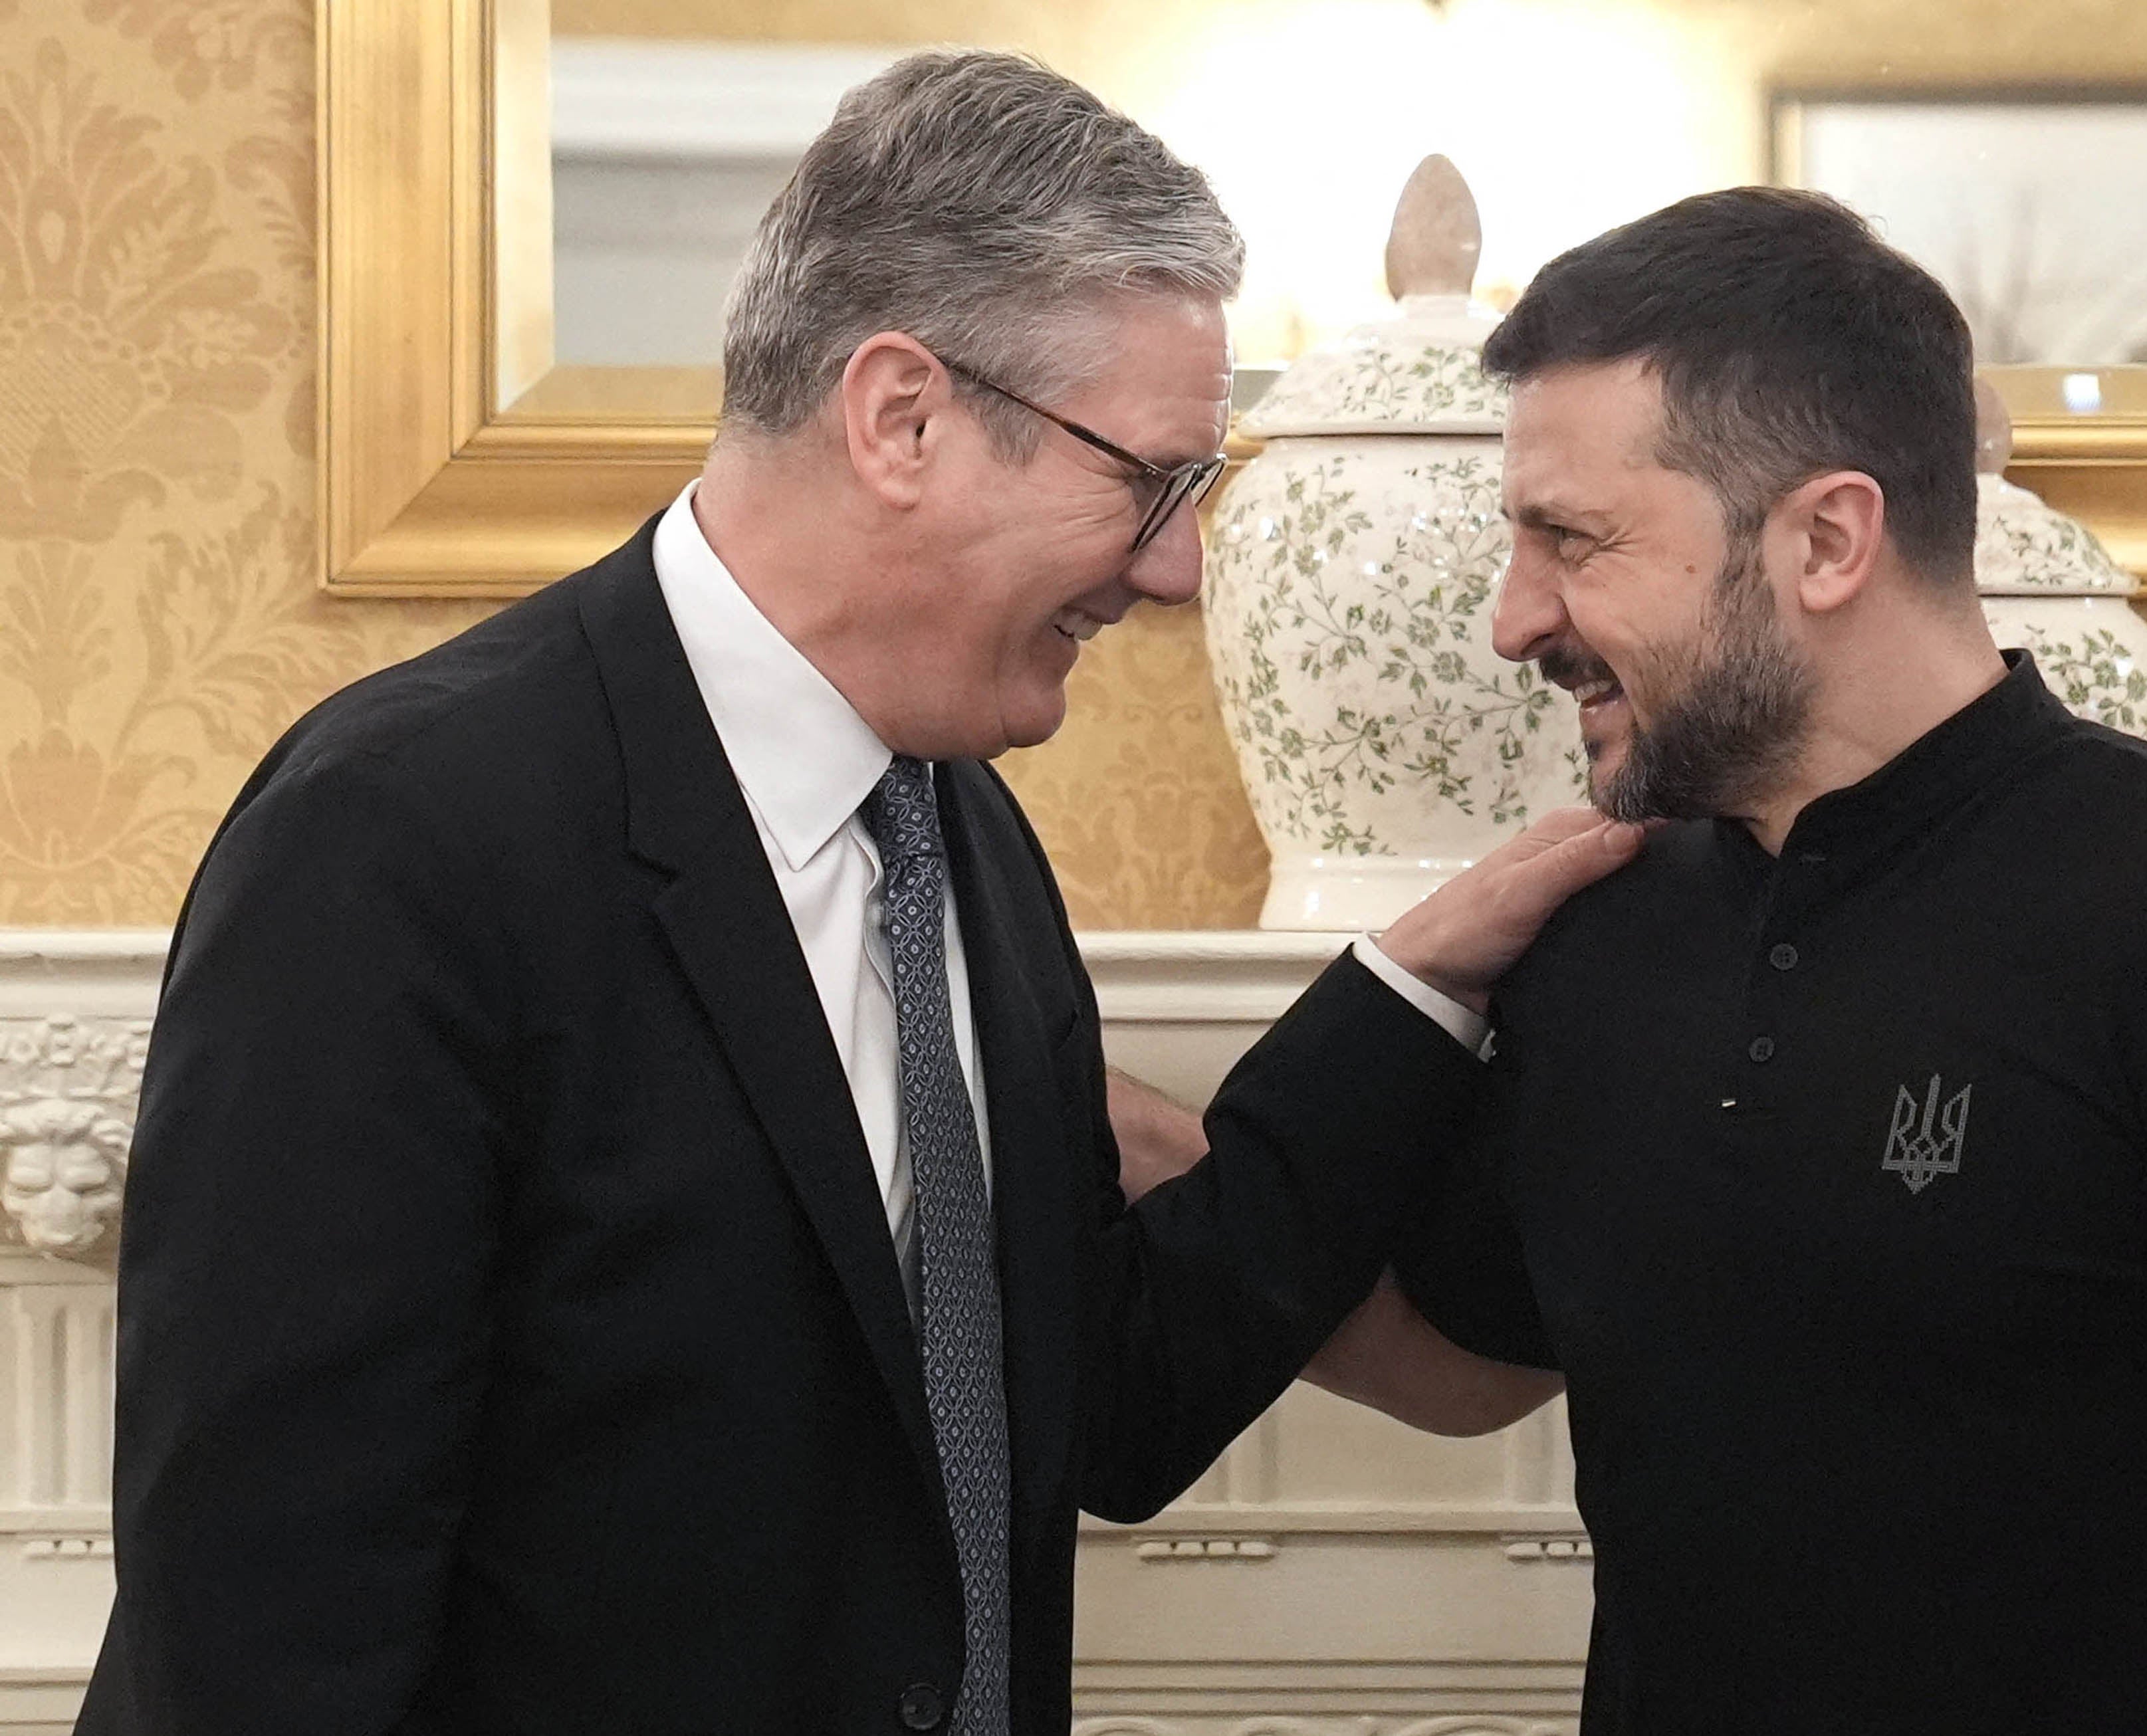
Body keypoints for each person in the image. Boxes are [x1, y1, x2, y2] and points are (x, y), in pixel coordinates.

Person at [73, 53, 1640, 1736]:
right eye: (1154, 482)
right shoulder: (401, 835)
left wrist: (1407, 987)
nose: (1177, 568)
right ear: (902, 417)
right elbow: (263, 1614)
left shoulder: (958, 830)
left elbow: (1100, 1396)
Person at [1295, 187, 2147, 1734]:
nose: (1511, 620)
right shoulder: (1604, 923)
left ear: (1825, 539)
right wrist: (1091, 1129)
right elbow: (1467, 1360)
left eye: (1574, 542)